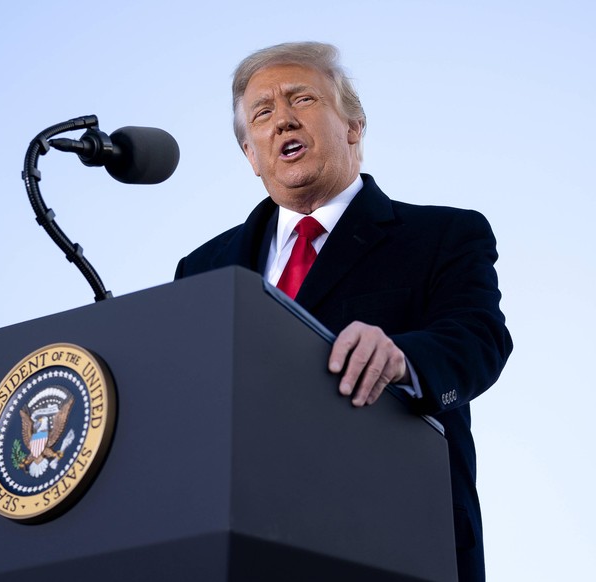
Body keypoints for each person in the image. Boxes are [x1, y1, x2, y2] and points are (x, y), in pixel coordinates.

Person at [175, 41, 512, 581]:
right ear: (250, 154)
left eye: (301, 99)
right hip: (242, 546)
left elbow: (479, 339)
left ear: (354, 126)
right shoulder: (201, 268)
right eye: (263, 113)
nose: (282, 119)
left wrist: (403, 358)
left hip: (394, 539)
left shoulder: (443, 235)